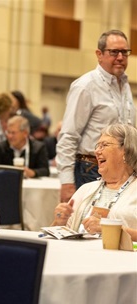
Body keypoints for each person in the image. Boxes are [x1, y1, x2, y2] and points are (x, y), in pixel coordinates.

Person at [56, 29, 136, 203]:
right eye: (114, 52)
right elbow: (68, 136)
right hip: (90, 168)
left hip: (123, 170)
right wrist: (67, 182)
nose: (121, 57)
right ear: (99, 54)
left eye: (125, 52)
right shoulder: (85, 86)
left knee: (110, 225)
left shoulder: (124, 85)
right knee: (89, 226)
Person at [51, 124, 136, 240]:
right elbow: (62, 234)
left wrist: (108, 229)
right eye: (97, 146)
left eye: (104, 145)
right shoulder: (85, 189)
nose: (96, 151)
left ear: (126, 151)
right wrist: (59, 222)